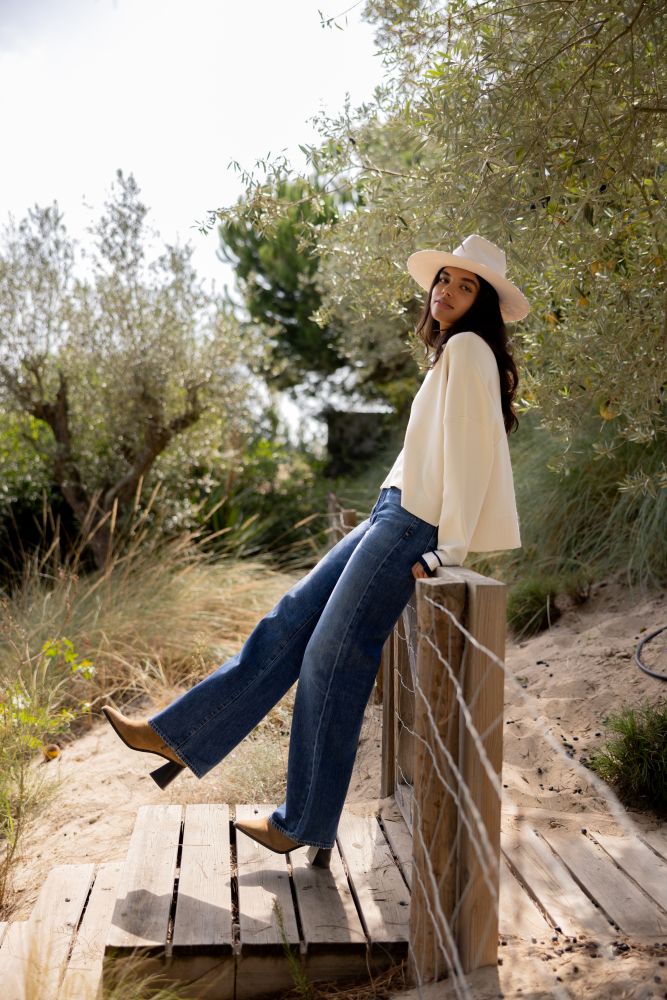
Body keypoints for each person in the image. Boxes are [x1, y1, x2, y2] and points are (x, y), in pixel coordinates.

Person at [102, 234, 529, 866]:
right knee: (290, 620)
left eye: (467, 286)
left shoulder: (468, 350)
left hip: (413, 525)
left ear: (484, 304)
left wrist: (451, 551)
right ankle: (175, 735)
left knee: (333, 656)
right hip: (394, 510)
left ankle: (302, 820)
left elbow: (469, 463)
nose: (448, 291)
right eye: (445, 279)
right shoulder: (450, 353)